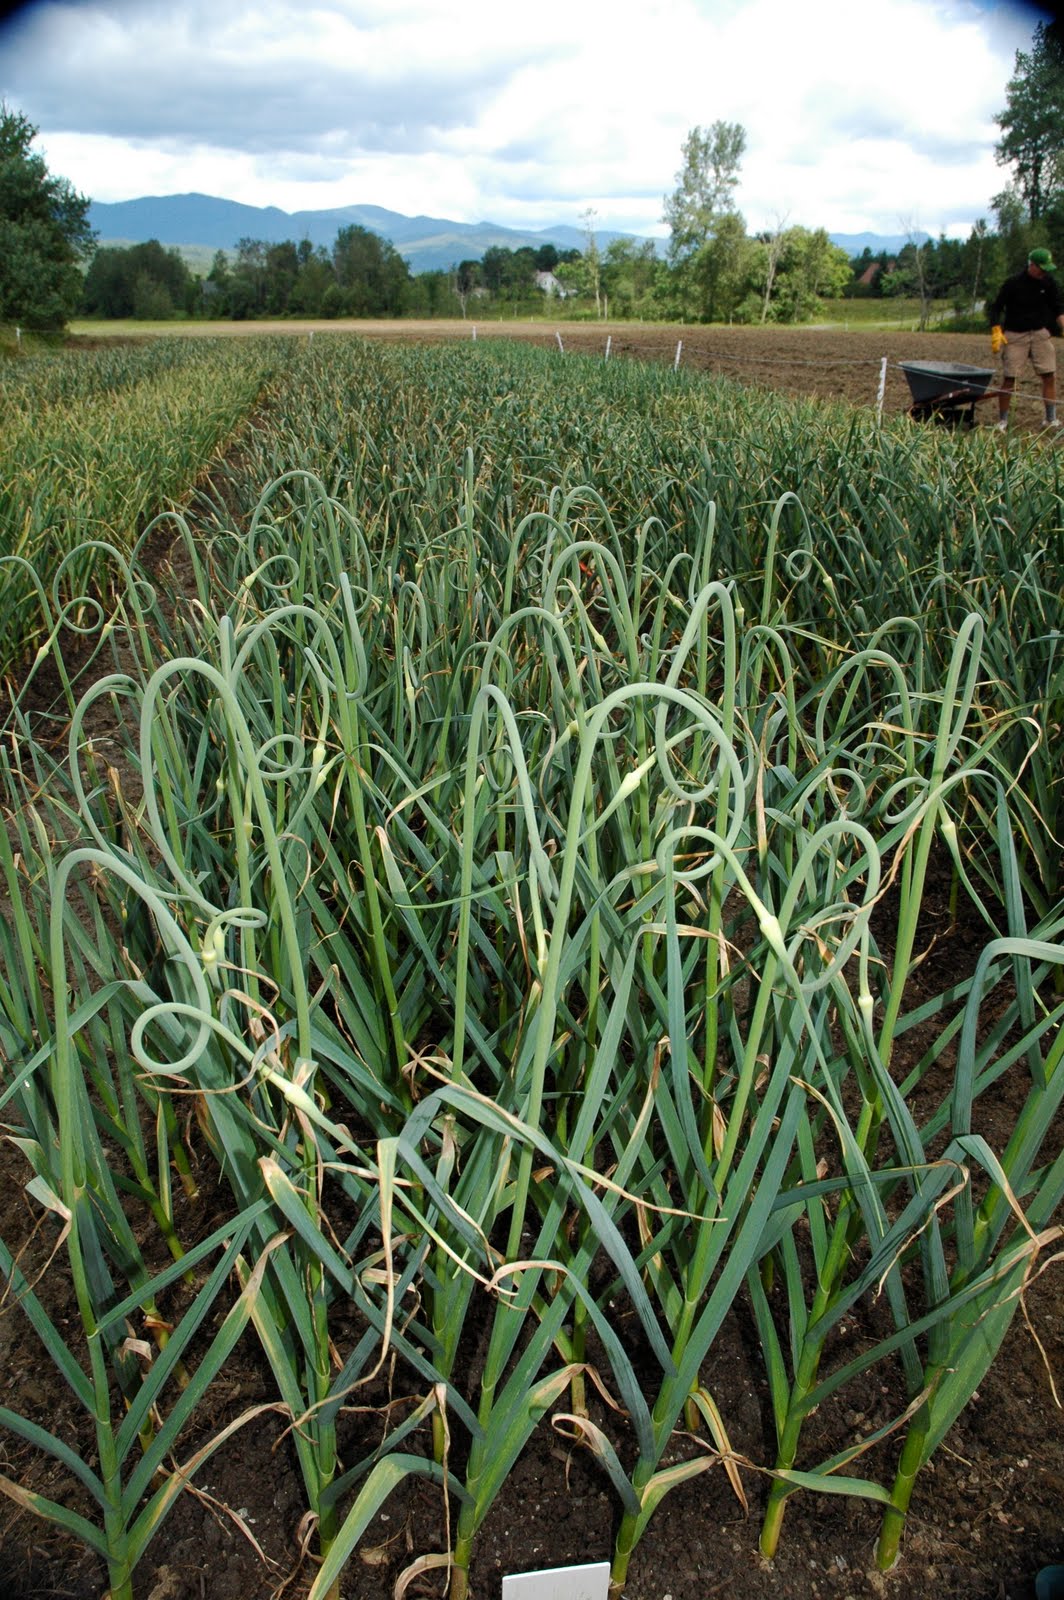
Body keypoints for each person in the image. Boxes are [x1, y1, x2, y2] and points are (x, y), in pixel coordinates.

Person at [988, 247, 1064, 432]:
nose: (1045, 272)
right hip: (1015, 335)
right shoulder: (1013, 284)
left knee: (1049, 375)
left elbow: (1058, 308)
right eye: (1042, 268)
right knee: (1010, 378)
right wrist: (997, 329)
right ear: (1032, 265)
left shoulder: (1048, 283)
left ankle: (1050, 419)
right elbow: (996, 308)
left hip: (1040, 333)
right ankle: (1003, 422)